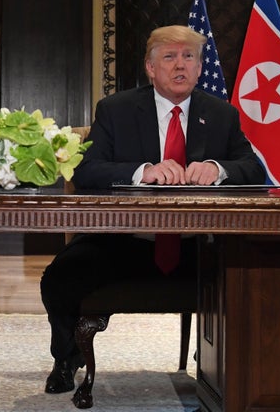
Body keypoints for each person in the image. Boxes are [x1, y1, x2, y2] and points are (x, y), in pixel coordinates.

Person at [40, 25, 265, 394]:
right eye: (170, 57)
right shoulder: (116, 110)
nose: (180, 66)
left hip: (199, 247)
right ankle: (66, 358)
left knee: (256, 275)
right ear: (150, 67)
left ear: (199, 67)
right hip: (123, 242)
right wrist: (142, 171)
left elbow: (255, 170)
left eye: (189, 57)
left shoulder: (221, 114)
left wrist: (219, 168)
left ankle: (231, 368)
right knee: (59, 278)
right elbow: (85, 170)